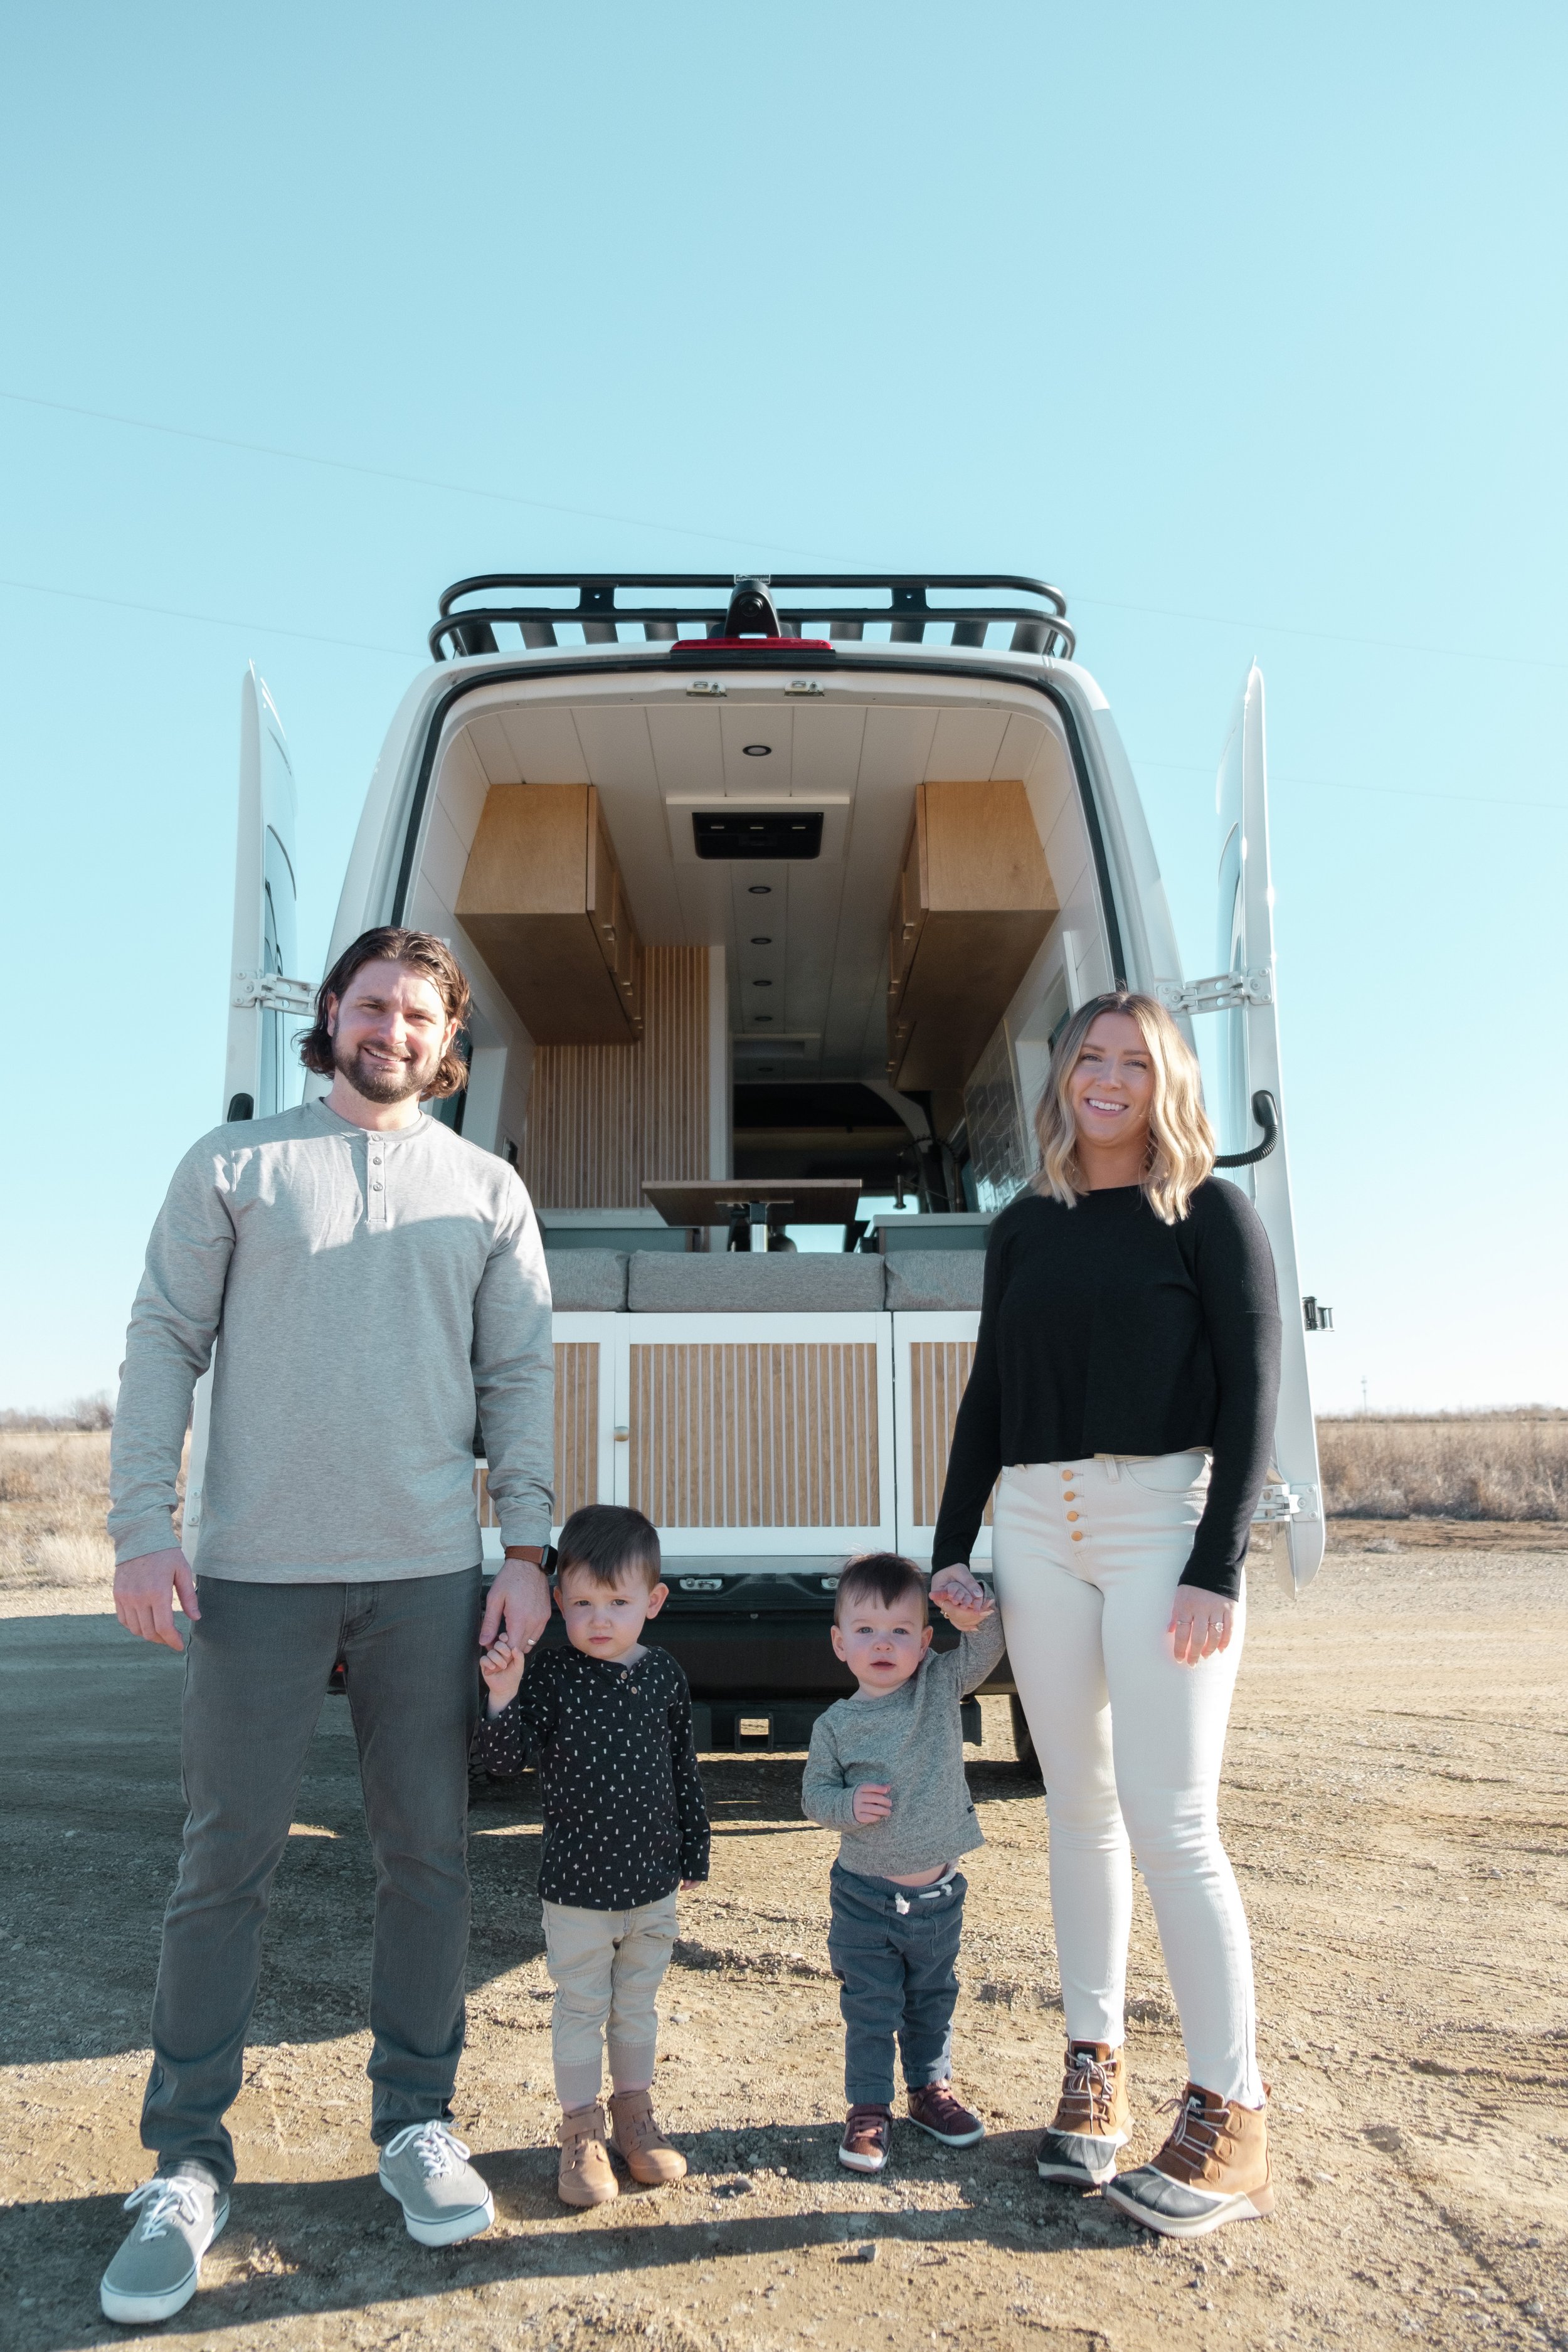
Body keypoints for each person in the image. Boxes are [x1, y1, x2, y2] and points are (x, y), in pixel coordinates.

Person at [100, 928, 556, 2328]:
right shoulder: (230, 1167)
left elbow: (518, 1369)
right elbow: (162, 1342)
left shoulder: (485, 1190)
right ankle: (184, 2160)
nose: (393, 1030)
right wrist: (141, 1528)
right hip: (250, 1572)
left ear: (447, 1039)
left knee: (426, 1854)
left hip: (424, 1567)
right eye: (373, 1006)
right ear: (331, 1017)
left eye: (420, 1015)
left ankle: (416, 2121)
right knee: (220, 1861)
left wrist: (525, 1549)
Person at [931, 989, 1282, 2240]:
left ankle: (1229, 2114)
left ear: (1166, 1082)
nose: (1109, 1078)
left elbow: (1251, 1396)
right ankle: (1094, 2069)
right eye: (1090, 1056)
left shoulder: (1209, 1215)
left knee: (1171, 1817)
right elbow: (985, 1394)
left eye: (1135, 1061)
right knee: (1073, 1808)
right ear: (1061, 1076)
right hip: (1032, 1524)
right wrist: (948, 1548)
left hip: (1158, 1525)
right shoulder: (1022, 1225)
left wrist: (1214, 1564)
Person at [472, 1503, 710, 2208]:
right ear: (556, 1601)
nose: (598, 1619)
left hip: (651, 1884)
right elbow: (500, 1763)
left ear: (654, 1602)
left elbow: (683, 1769)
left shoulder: (663, 1676)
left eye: (617, 1602)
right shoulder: (548, 1677)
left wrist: (694, 1849)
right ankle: (580, 2132)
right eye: (581, 1603)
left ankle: (636, 2119)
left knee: (636, 2006)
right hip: (576, 1888)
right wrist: (503, 1695)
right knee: (581, 2007)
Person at [801, 1551, 1005, 2175]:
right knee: (871, 2007)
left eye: (898, 1632)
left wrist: (974, 1612)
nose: (881, 1644)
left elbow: (990, 1644)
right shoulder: (835, 1726)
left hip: (939, 1898)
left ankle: (929, 2091)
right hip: (864, 1898)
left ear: (924, 1642)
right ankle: (868, 2109)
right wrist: (846, 1804)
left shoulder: (938, 1686)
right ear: (840, 1644)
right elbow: (814, 1797)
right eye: (865, 1631)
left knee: (933, 1998)